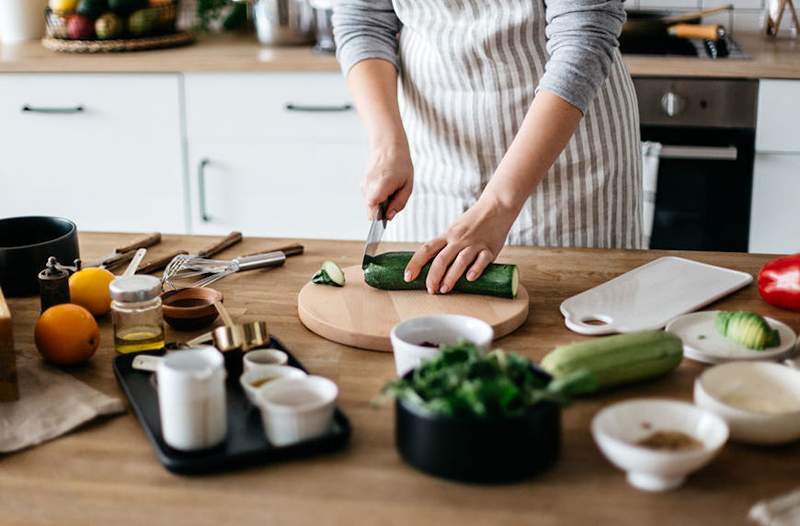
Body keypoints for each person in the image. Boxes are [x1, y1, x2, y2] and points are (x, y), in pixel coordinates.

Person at [333, 0, 642, 295]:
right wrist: (387, 146)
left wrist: (498, 205)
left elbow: (584, 34)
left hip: (568, 155)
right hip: (432, 151)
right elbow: (363, 22)